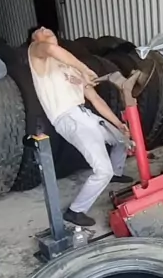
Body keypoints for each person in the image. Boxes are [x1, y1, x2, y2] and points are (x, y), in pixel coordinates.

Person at [28, 27, 132, 227]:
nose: (43, 28)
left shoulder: (69, 66)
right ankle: (75, 211)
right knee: (102, 171)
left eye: (47, 28)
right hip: (68, 117)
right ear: (34, 40)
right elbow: (51, 50)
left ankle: (115, 173)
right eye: (38, 31)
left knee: (122, 139)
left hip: (84, 114)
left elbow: (96, 99)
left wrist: (119, 124)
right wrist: (84, 69)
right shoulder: (37, 55)